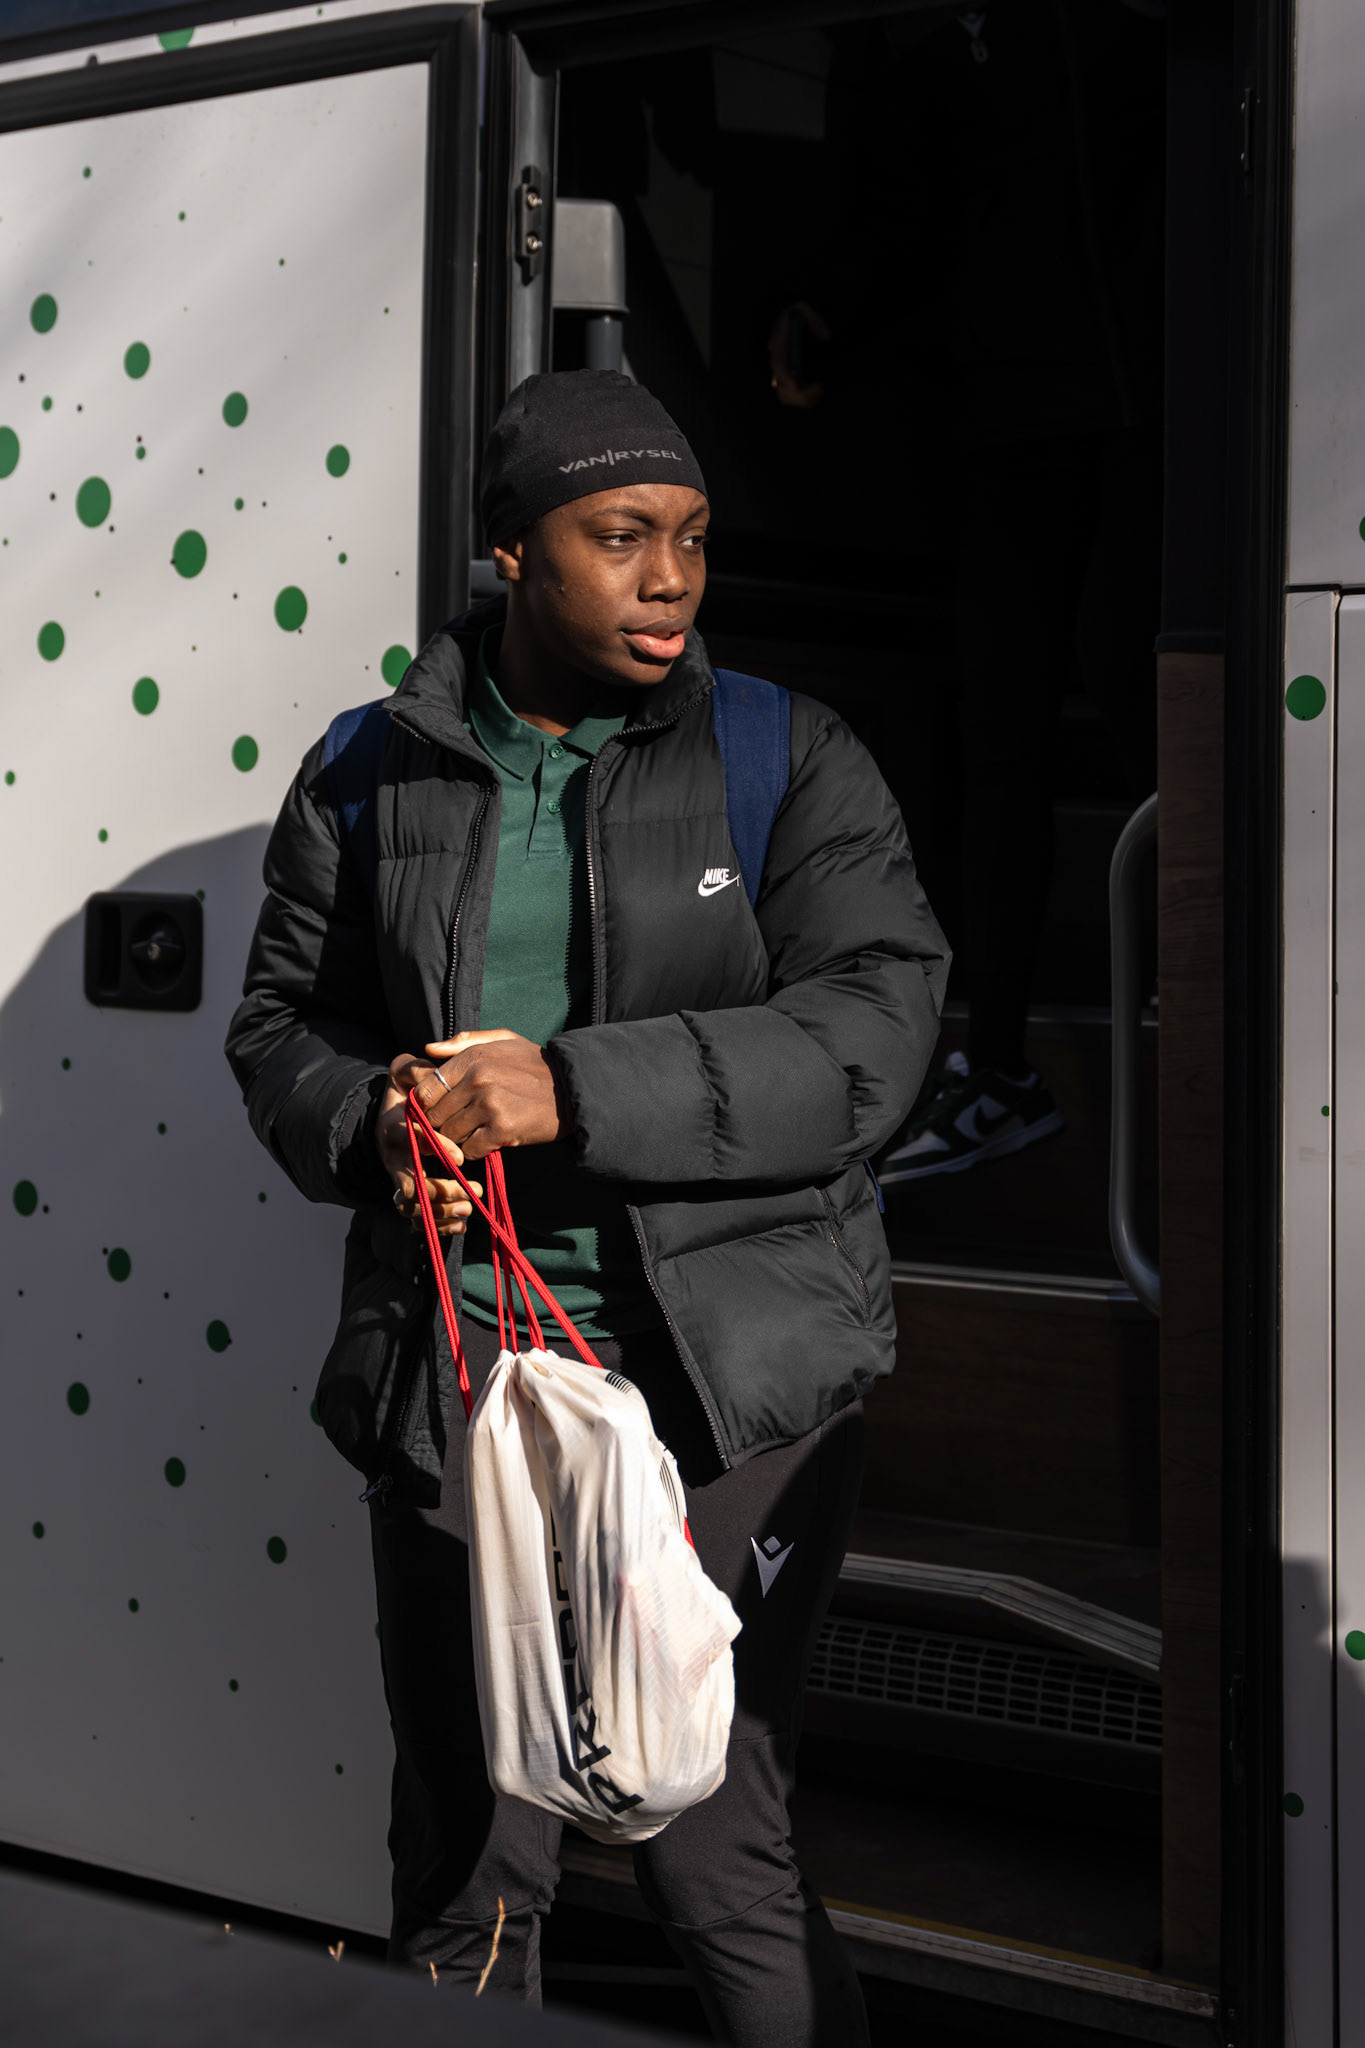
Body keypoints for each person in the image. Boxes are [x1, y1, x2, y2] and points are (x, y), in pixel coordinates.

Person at [225, 369, 949, 2046]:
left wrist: (577, 1086)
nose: (669, 577)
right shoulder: (370, 768)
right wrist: (371, 1112)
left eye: (692, 539)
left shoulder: (787, 753)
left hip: (732, 1390)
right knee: (475, 1859)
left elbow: (874, 1035)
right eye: (620, 537)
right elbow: (283, 1028)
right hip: (462, 1378)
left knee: (708, 1843)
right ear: (508, 553)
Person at [767, 2, 1163, 1182]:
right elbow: (913, 208)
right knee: (1003, 751)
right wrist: (825, 305)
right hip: (1017, 425)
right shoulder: (934, 30)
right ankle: (998, 1070)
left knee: (1167, 721)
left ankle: (1215, 1047)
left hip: (1173, 406)